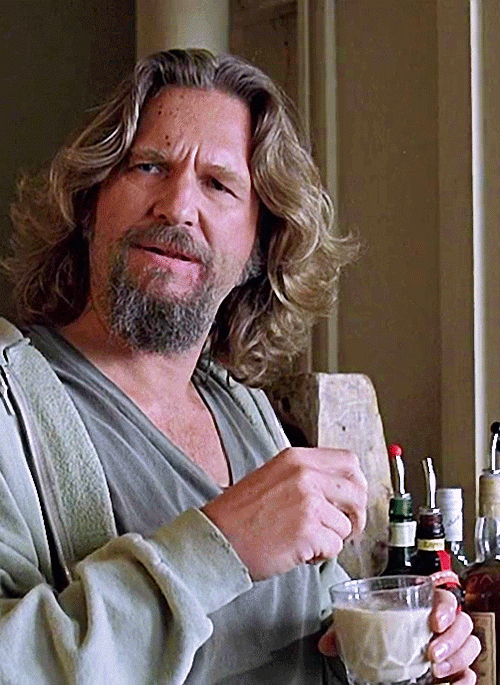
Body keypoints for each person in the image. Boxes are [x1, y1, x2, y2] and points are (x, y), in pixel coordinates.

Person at [0, 49, 479, 684]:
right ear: (90, 204)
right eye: (149, 166)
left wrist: (409, 653)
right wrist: (220, 544)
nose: (177, 206)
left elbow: (314, 641)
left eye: (219, 184)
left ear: (259, 246)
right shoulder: (12, 404)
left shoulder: (247, 412)